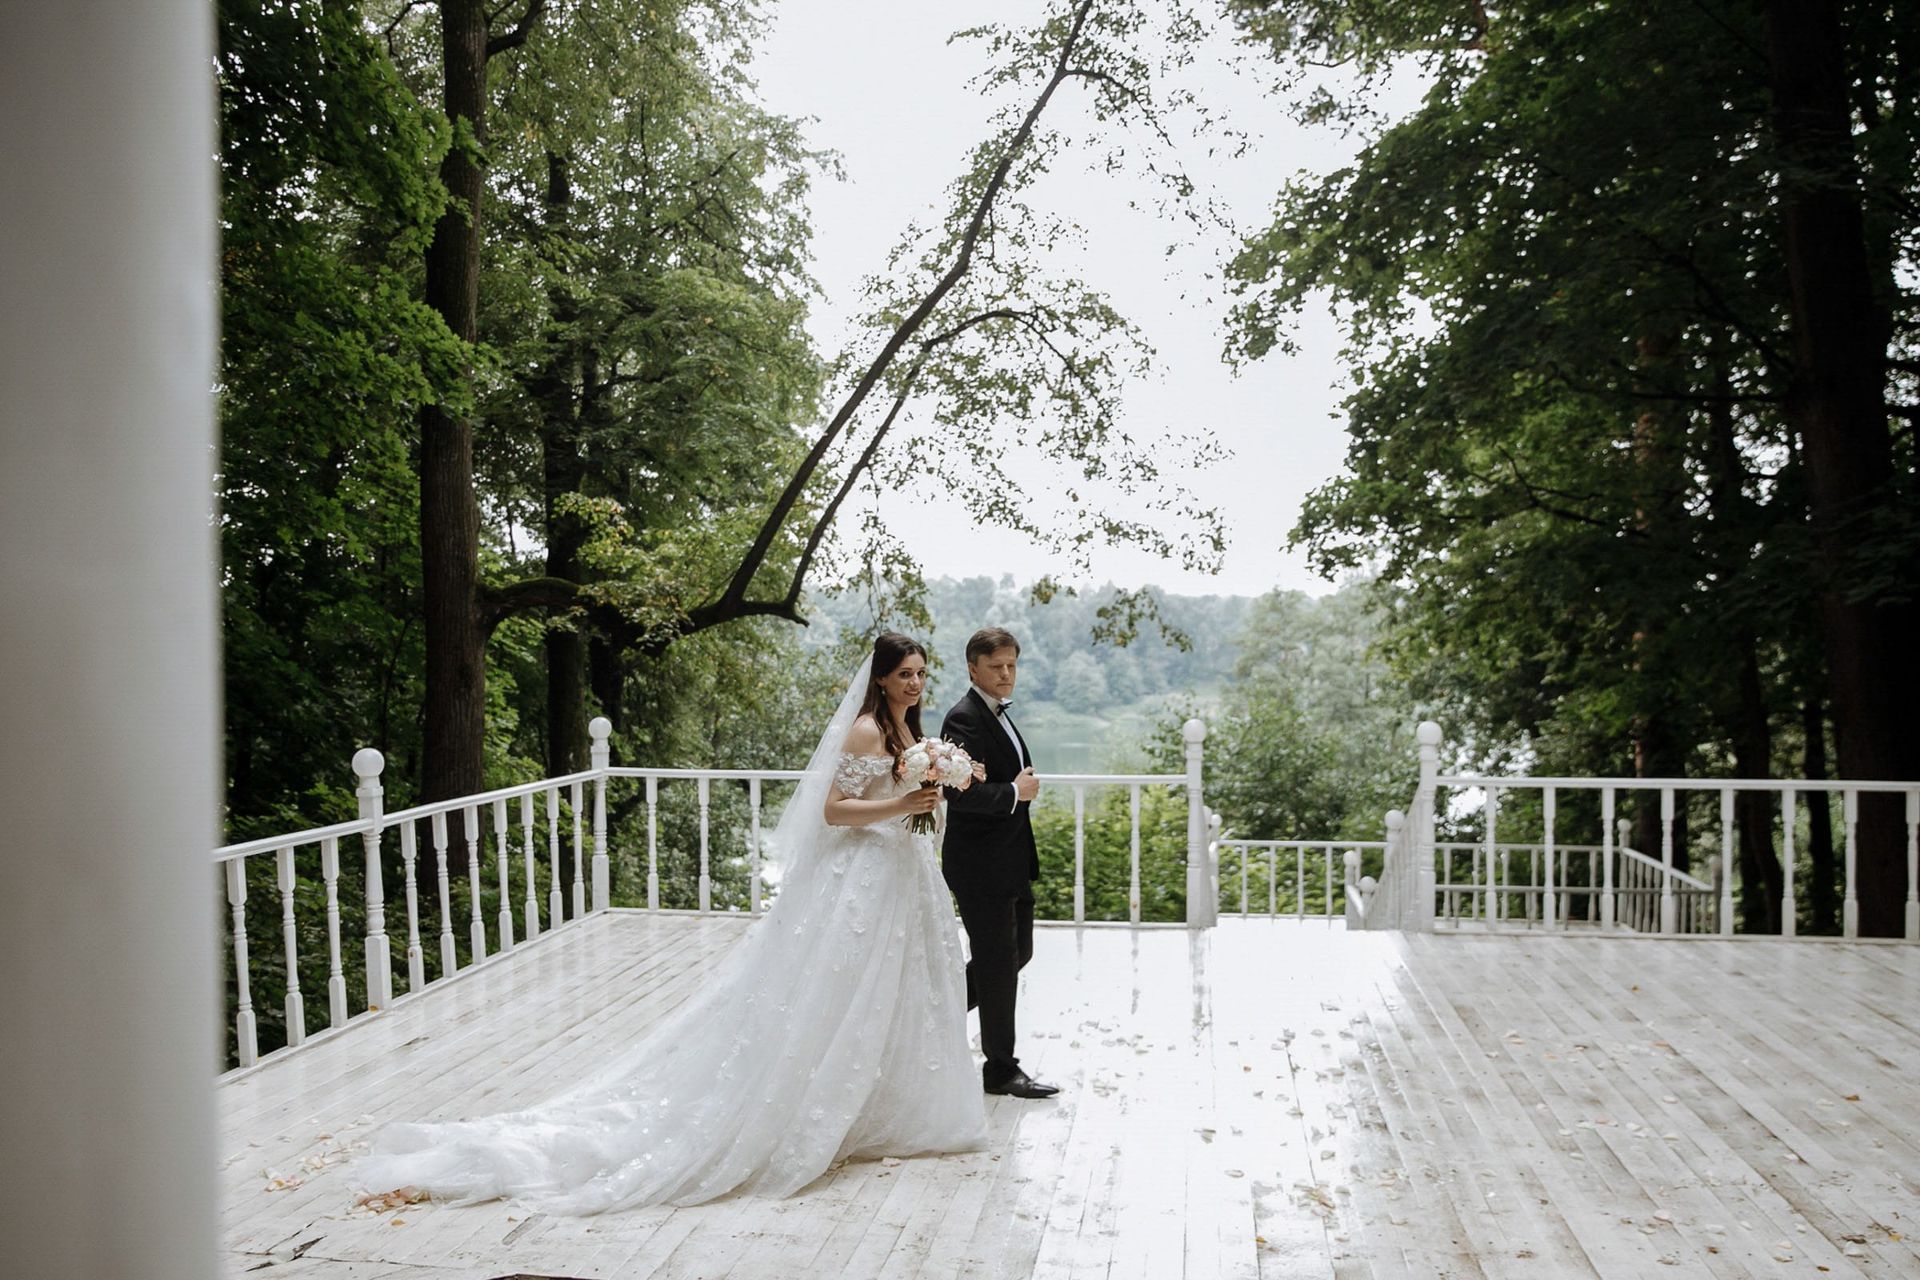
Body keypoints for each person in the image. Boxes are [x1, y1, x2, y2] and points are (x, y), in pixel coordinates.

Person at [352, 633, 988, 1212]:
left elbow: (903, 802)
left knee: (898, 992)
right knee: (838, 994)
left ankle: (884, 1107)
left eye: (921, 673)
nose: (915, 682)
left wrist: (930, 785)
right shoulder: (866, 733)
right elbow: (833, 811)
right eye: (904, 673)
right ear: (879, 679)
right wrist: (901, 804)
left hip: (903, 876)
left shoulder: (912, 733)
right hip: (861, 878)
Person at [939, 627, 1059, 1099]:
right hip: (980, 865)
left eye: (1011, 665)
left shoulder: (998, 712)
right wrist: (1015, 792)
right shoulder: (964, 719)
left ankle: (935, 1014)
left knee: (1013, 956)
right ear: (973, 668)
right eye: (996, 666)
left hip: (1008, 861)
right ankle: (1001, 1069)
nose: (1006, 673)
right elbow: (959, 794)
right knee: (997, 963)